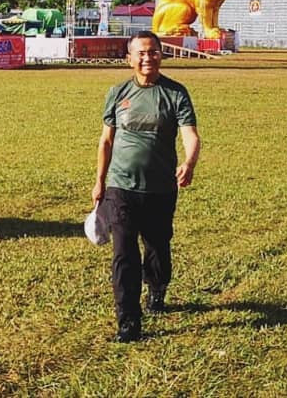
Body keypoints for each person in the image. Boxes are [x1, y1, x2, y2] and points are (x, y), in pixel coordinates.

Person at [92, 30, 202, 343]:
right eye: (140, 52)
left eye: (152, 51)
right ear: (129, 58)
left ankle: (157, 288)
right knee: (124, 253)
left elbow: (190, 135)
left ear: (161, 54)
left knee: (157, 247)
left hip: (160, 188)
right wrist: (99, 181)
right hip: (120, 186)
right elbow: (106, 140)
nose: (146, 58)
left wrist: (189, 162)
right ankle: (128, 322)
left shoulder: (176, 93)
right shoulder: (117, 92)